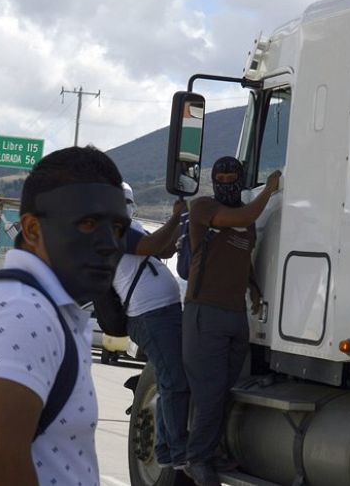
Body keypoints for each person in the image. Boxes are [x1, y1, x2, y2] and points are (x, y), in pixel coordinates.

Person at [0, 146, 129, 486]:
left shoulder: (43, 308)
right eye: (88, 223)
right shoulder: (26, 313)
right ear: (32, 230)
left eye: (117, 228)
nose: (109, 244)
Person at [182, 157, 280, 486]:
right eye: (220, 176)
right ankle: (197, 459)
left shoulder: (246, 222)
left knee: (226, 392)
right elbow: (245, 215)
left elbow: (242, 256)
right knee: (210, 394)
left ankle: (214, 451)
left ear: (239, 179)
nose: (226, 180)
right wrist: (269, 191)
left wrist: (253, 288)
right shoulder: (203, 208)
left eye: (232, 175)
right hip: (204, 313)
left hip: (235, 315)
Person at [115, 181, 189, 470]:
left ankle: (166, 448)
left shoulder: (130, 230)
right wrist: (174, 218)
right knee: (173, 381)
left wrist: (179, 222)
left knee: (168, 379)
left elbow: (166, 250)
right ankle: (177, 451)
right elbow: (152, 246)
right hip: (150, 315)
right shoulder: (115, 231)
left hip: (161, 313)